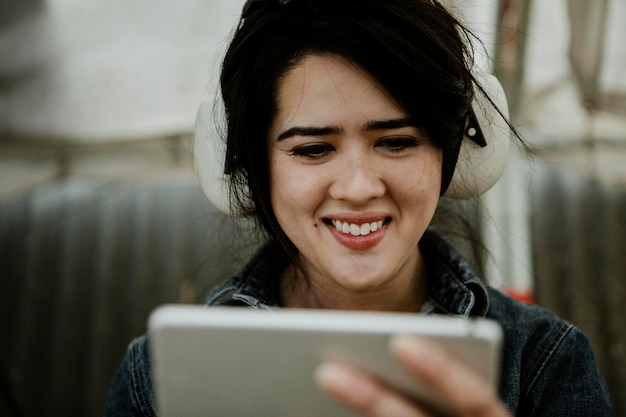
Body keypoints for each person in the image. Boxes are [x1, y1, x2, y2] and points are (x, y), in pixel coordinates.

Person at [103, 0, 614, 415]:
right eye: (311, 149)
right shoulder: (155, 379)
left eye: (396, 142)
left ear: (452, 152)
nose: (358, 187)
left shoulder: (545, 363)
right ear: (251, 166)